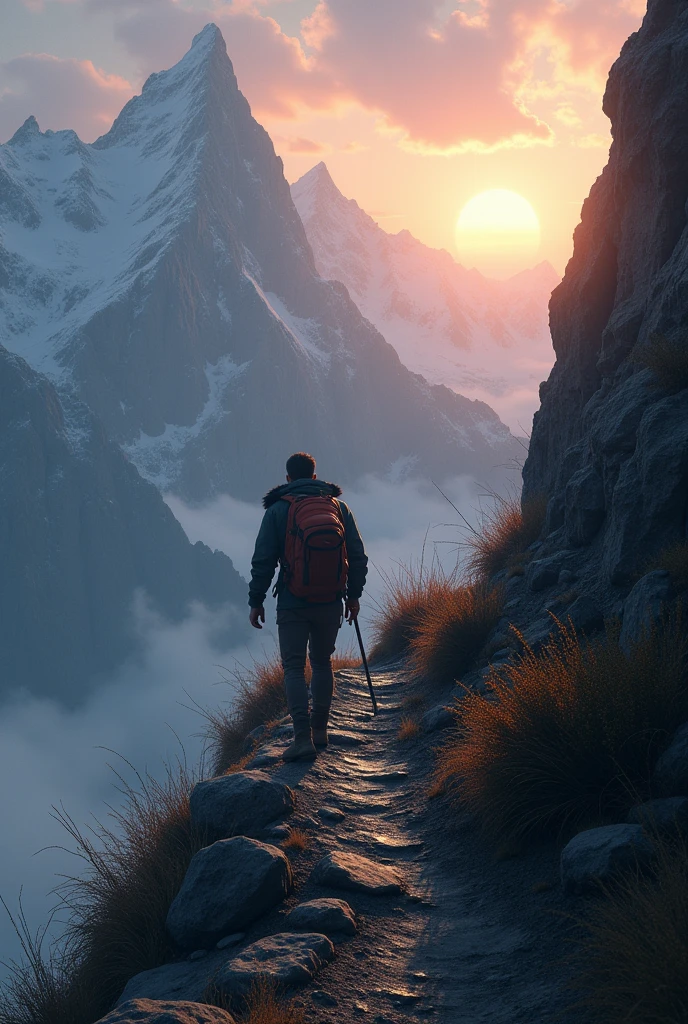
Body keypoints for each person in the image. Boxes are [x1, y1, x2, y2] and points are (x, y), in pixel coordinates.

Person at [249, 452, 368, 761]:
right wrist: (353, 596)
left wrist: (256, 601)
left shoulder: (277, 510)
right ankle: (320, 730)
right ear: (315, 477)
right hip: (331, 599)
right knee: (322, 662)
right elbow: (356, 555)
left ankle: (302, 738)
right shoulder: (338, 507)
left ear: (288, 479)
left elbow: (263, 560)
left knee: (292, 667)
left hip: (292, 600)